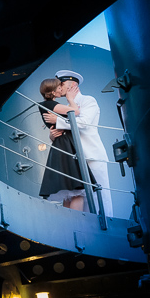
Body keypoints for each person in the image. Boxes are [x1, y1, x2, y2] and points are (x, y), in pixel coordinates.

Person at [42, 70, 113, 218]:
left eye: (62, 84)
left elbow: (84, 123)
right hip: (73, 157)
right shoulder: (67, 106)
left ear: (72, 85)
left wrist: (58, 121)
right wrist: (52, 135)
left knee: (99, 198)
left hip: (91, 156)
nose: (58, 87)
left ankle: (104, 227)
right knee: (74, 196)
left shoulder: (88, 100)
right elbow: (65, 132)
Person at [37, 78, 92, 210]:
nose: (62, 89)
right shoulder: (49, 104)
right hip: (65, 144)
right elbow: (75, 112)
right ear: (54, 91)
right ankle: (77, 222)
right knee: (77, 189)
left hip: (62, 143)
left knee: (70, 191)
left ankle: (71, 223)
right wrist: (71, 98)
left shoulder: (51, 105)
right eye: (59, 87)